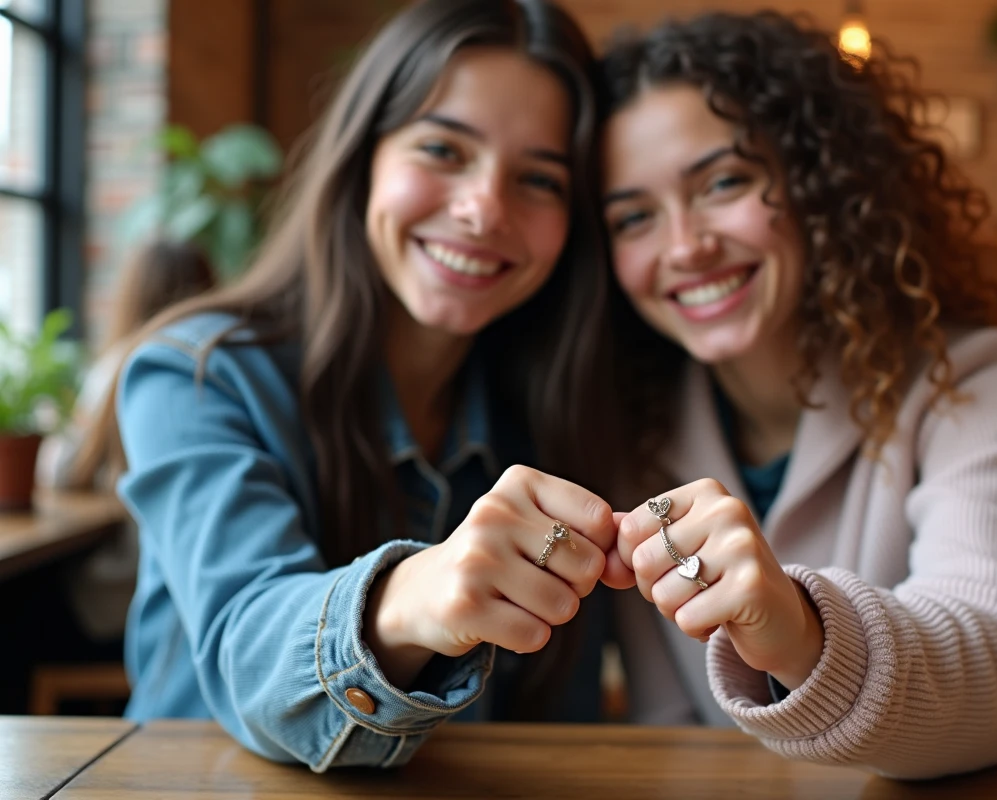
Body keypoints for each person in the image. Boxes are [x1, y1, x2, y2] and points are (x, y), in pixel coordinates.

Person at [107, 0, 618, 770]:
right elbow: (245, 640)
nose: (484, 208)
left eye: (539, 179)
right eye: (444, 149)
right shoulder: (194, 374)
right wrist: (412, 595)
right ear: (363, 157)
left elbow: (563, 736)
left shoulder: (554, 410)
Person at [593, 11, 997, 780]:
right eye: (634, 217)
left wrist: (803, 632)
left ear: (820, 182)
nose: (685, 245)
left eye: (724, 182)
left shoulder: (971, 375)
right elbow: (675, 732)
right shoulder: (629, 426)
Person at [36, 239, 217, 649]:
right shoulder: (214, 368)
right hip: (180, 597)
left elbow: (60, 471)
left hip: (121, 595)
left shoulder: (126, 367)